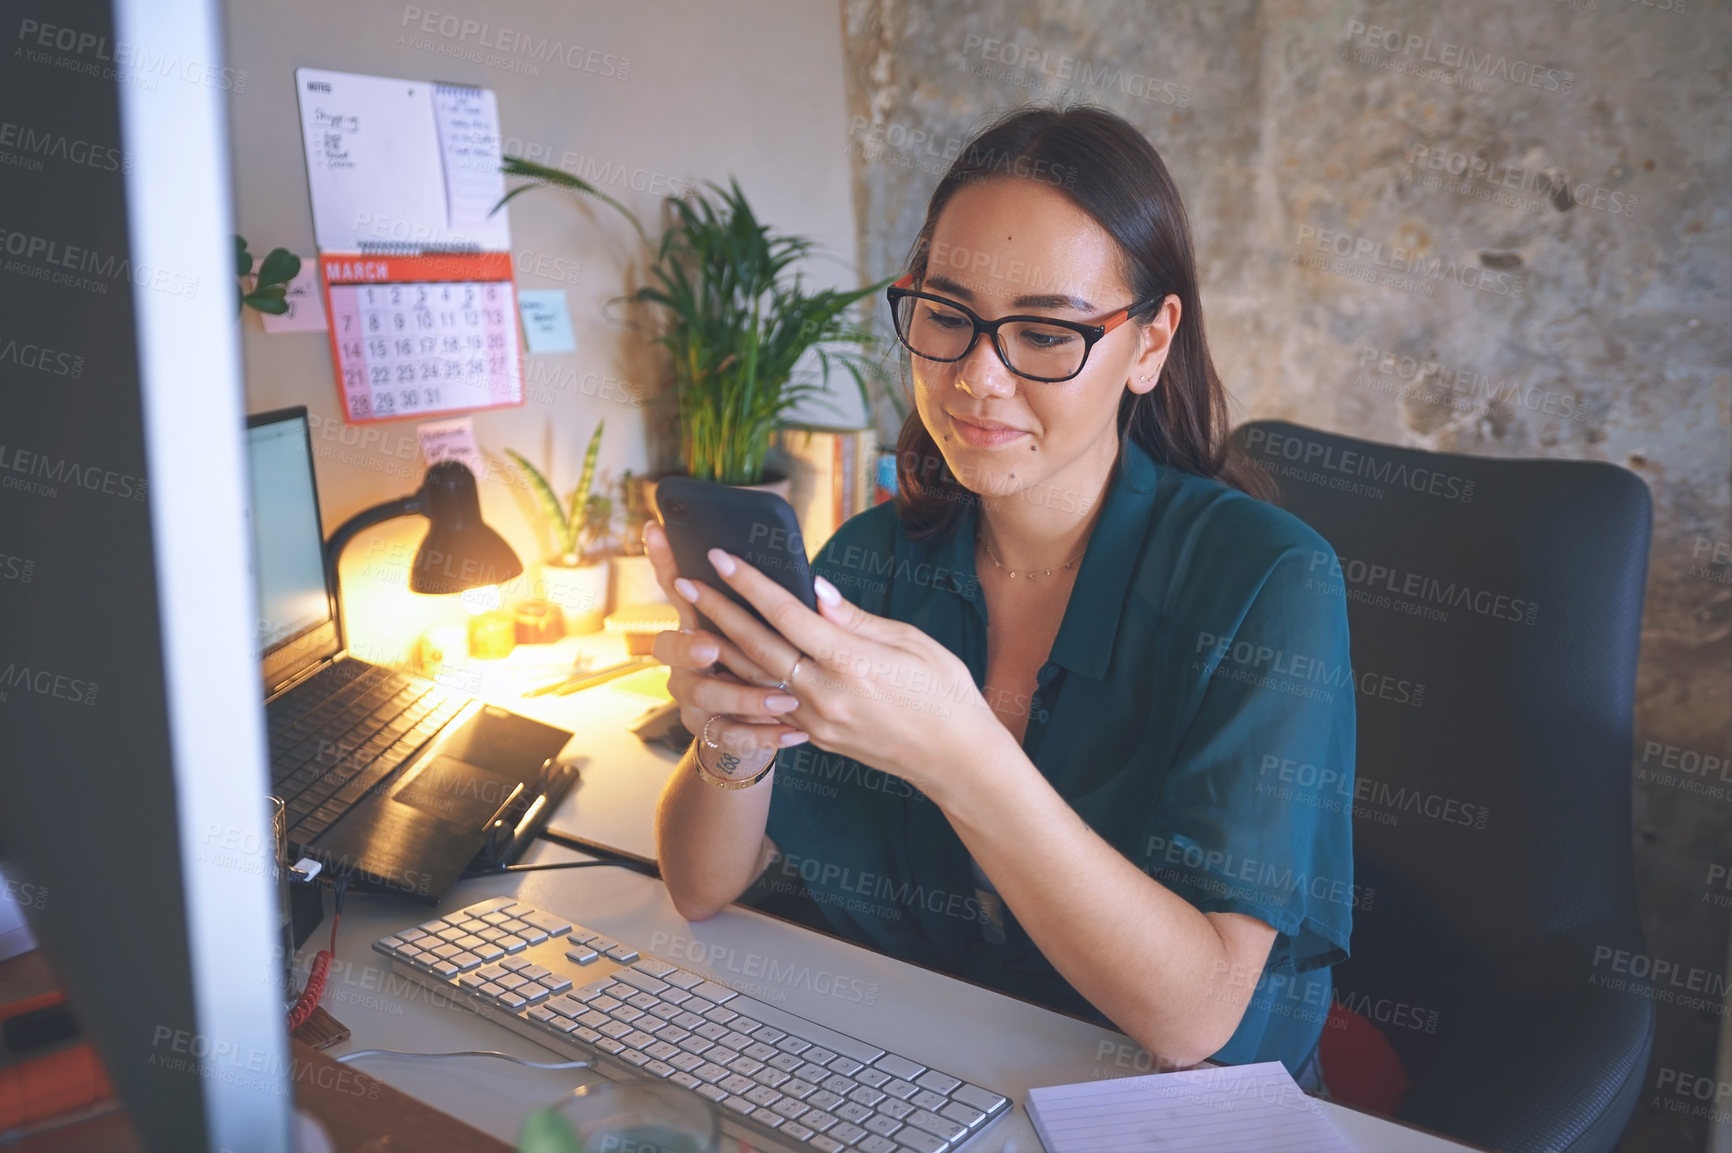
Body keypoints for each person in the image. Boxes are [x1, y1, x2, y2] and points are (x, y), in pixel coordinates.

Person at [645, 104, 1355, 1091]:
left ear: (1150, 343)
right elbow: (697, 882)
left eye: (1046, 330)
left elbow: (1195, 1016)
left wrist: (960, 754)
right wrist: (733, 738)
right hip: (928, 1080)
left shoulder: (1270, 582)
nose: (976, 377)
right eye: (946, 315)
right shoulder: (875, 561)